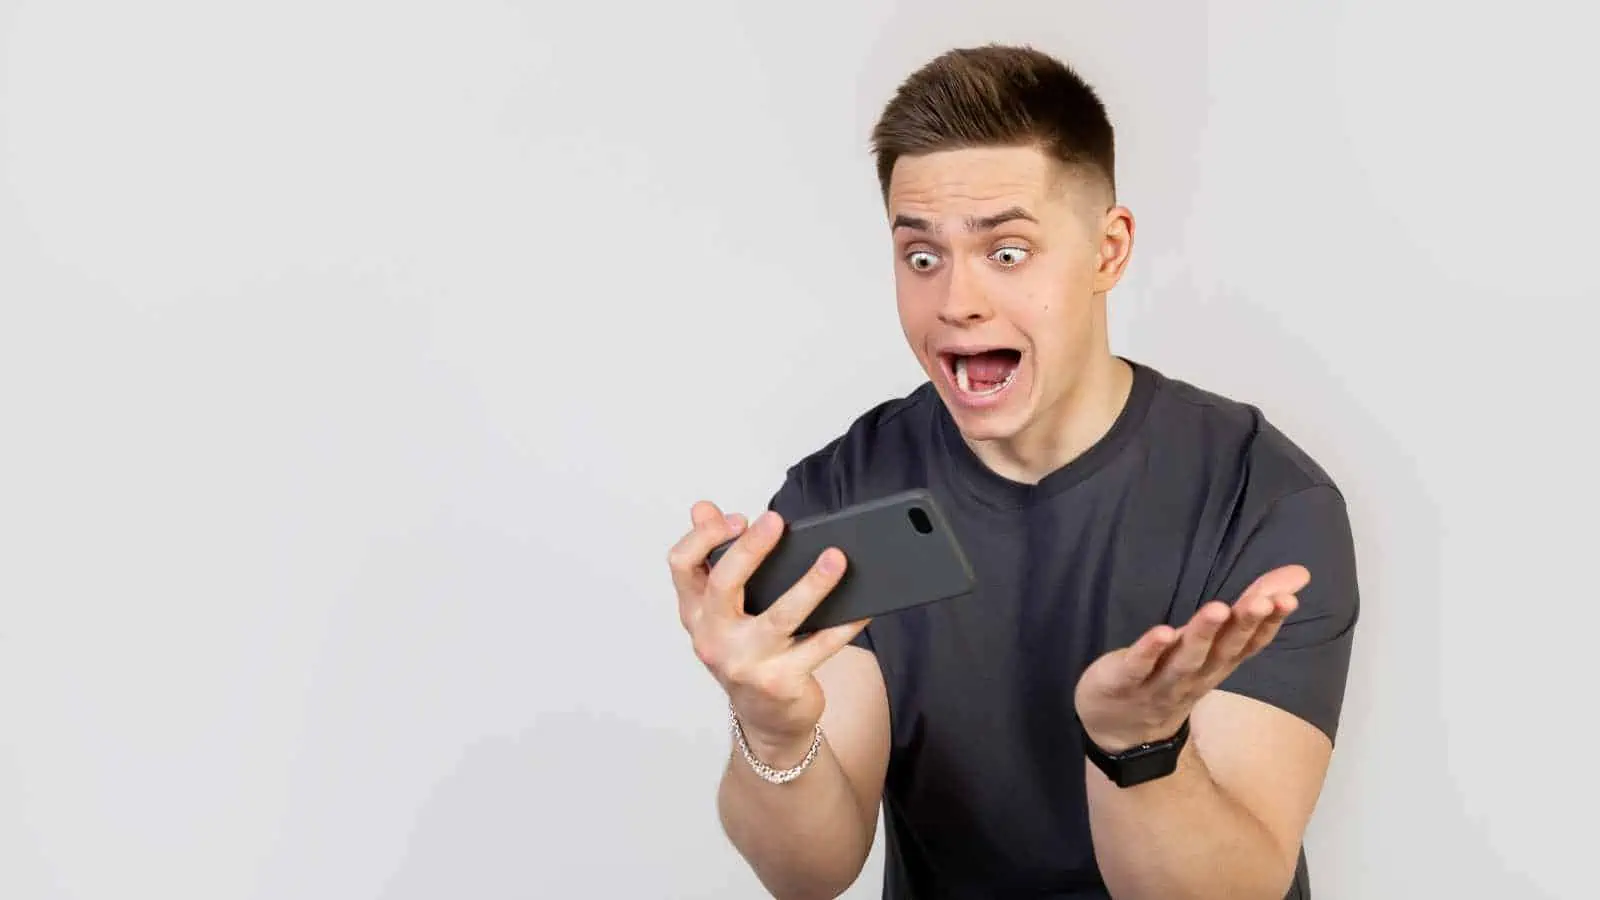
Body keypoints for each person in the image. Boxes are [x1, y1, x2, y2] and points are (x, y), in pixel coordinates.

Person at [668, 44, 1359, 900]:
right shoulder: (842, 494)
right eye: (922, 257)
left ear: (1108, 251)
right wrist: (771, 727)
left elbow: (1229, 892)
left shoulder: (1264, 500)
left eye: (1007, 252)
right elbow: (807, 875)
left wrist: (1138, 746)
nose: (957, 303)